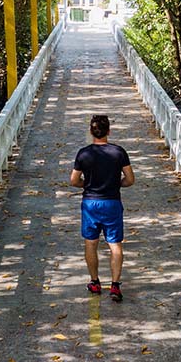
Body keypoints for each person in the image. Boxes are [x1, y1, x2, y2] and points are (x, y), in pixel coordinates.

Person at [70, 114, 135, 301]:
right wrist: (116, 184)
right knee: (115, 244)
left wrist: (87, 185)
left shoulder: (84, 154)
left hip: (90, 203)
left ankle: (95, 282)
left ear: (91, 132)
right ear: (109, 131)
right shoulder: (119, 152)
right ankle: (115, 286)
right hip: (112, 202)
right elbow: (130, 179)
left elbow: (74, 180)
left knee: (91, 243)